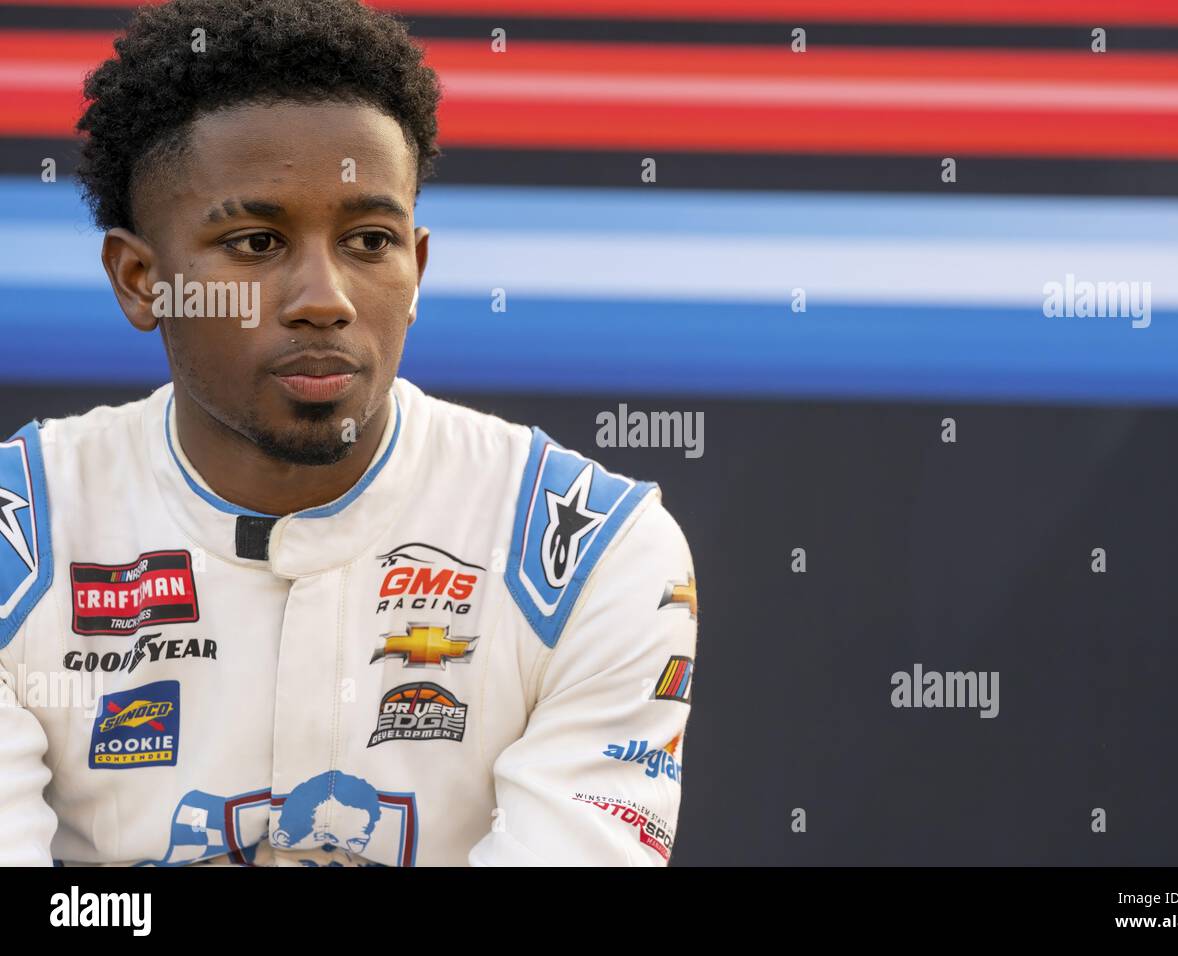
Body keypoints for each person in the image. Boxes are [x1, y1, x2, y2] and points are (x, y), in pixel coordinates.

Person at [0, 0, 696, 866]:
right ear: (141, 280)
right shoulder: (20, 535)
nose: (324, 298)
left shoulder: (593, 549)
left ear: (417, 269)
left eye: (369, 239)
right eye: (256, 243)